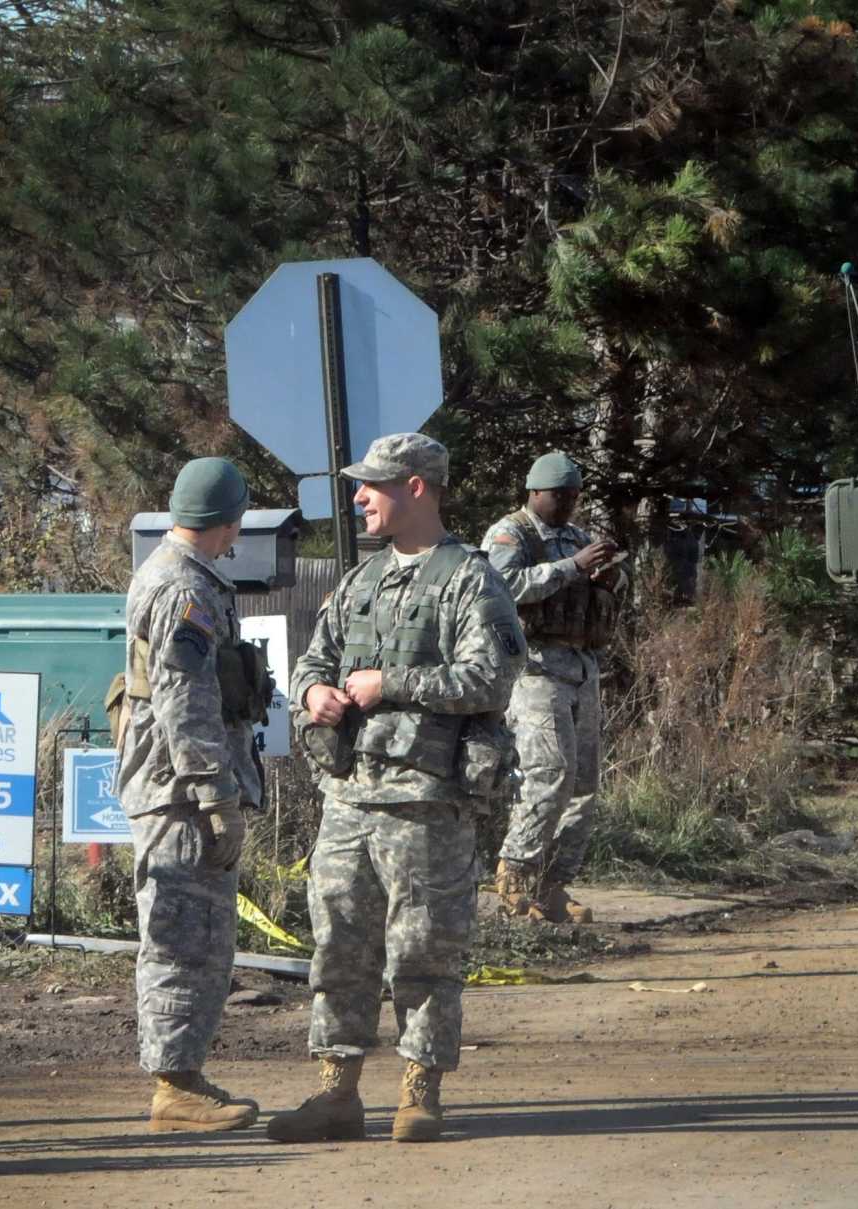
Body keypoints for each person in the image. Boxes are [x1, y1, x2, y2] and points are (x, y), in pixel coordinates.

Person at [273, 433, 526, 1144]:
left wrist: (394, 684)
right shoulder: (359, 580)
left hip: (426, 799)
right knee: (339, 949)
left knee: (424, 951)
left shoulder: (469, 577)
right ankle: (336, 1092)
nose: (359, 498)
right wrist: (314, 693)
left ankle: (419, 1091)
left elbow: (492, 678)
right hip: (349, 798)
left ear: (418, 486)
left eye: (373, 486)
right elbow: (311, 661)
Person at [113, 457, 269, 1132]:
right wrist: (214, 792)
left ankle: (183, 1074)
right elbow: (186, 697)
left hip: (173, 784)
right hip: (179, 791)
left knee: (197, 933)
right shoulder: (184, 588)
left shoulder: (174, 574)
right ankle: (173, 1088)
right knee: (183, 935)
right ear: (229, 520)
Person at [479, 451, 623, 924]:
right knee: (548, 772)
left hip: (581, 667)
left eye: (574, 496)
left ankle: (554, 884)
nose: (567, 505)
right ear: (535, 492)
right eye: (560, 496)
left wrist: (610, 577)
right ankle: (514, 875)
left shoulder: (576, 537)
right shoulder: (510, 533)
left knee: (583, 782)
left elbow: (604, 589)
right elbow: (502, 588)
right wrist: (571, 568)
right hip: (535, 671)